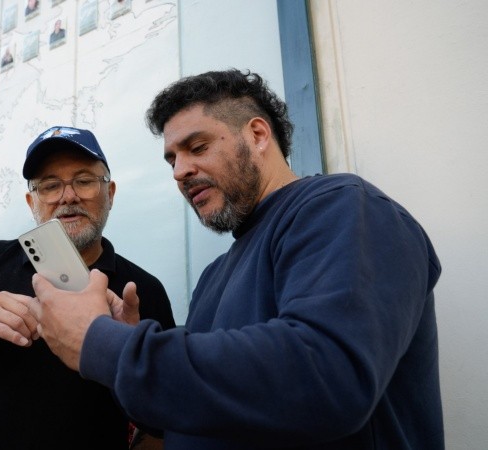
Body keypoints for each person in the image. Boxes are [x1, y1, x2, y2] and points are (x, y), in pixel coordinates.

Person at [28, 69, 443, 450]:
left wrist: (105, 344)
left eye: (197, 147)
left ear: (258, 134)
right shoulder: (213, 276)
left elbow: (327, 377)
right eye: (172, 159)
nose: (180, 171)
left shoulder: (342, 208)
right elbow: (201, 414)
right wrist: (127, 347)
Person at [0, 126, 176, 450]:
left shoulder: (142, 291)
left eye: (84, 180)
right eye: (50, 185)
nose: (68, 196)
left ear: (110, 193)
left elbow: (163, 425)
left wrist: (121, 350)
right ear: (31, 201)